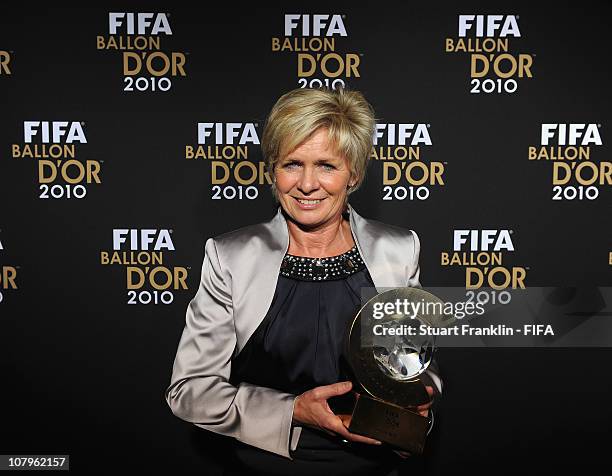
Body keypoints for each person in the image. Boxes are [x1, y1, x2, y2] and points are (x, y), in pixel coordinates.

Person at [164, 87, 443, 476]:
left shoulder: (397, 249)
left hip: (375, 465)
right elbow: (190, 392)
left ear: (354, 173)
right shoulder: (231, 257)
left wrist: (420, 398)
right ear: (272, 171)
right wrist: (292, 410)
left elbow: (412, 364)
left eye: (327, 165)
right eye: (292, 164)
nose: (307, 184)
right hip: (266, 466)